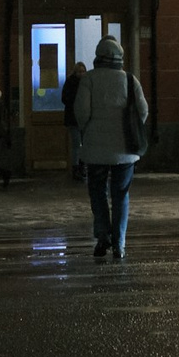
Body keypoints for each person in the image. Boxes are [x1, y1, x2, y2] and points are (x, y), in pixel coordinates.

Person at [72, 37, 148, 260]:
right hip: (125, 151)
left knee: (97, 192)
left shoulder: (89, 80)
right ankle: (120, 243)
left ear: (98, 56)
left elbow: (81, 112)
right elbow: (142, 111)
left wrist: (90, 131)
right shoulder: (130, 80)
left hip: (95, 151)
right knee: (121, 194)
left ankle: (102, 235)